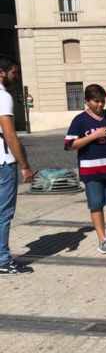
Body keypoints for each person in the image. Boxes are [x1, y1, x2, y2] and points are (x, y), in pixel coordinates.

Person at [65, 84, 106, 254]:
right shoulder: (80, 120)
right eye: (96, 101)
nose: (100, 105)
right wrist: (94, 136)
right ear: (87, 102)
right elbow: (70, 144)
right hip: (90, 171)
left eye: (102, 101)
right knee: (96, 204)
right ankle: (102, 239)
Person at [0, 56, 33, 274]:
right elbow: (10, 135)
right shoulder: (3, 97)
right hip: (3, 162)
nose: (16, 76)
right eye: (14, 72)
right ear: (2, 72)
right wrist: (24, 165)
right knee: (4, 213)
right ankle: (2, 260)